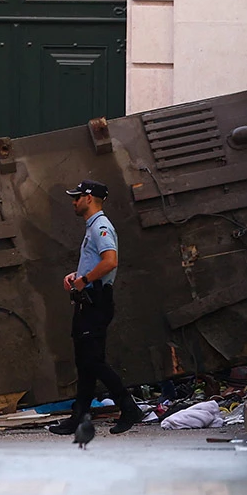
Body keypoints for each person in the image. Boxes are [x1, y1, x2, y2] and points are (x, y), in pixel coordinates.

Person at [49, 179, 144, 436]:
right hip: (88, 302)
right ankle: (78, 417)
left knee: (93, 360)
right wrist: (77, 275)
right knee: (85, 362)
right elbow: (96, 262)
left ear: (89, 198)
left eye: (77, 197)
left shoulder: (100, 226)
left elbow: (110, 261)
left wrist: (85, 280)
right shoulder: (92, 228)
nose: (74, 201)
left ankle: (128, 406)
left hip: (96, 302)